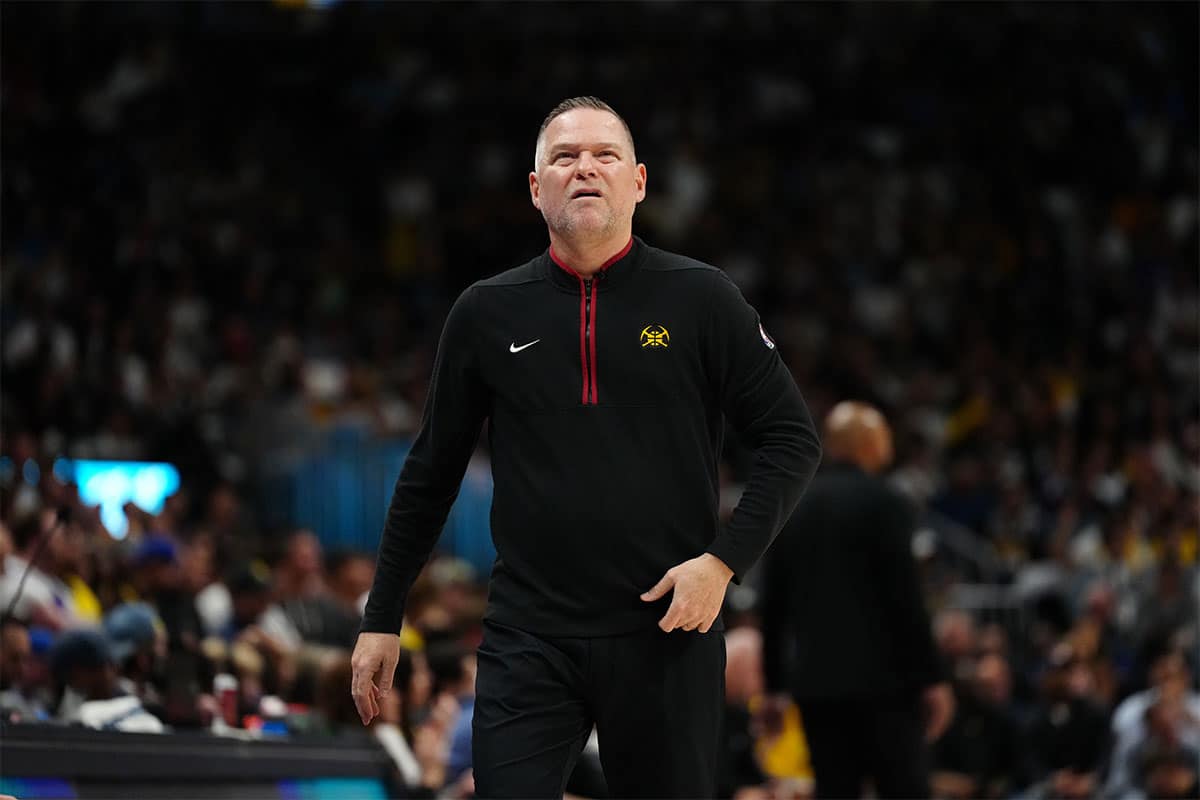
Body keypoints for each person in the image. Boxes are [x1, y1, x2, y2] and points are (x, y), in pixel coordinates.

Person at [352, 95, 822, 798]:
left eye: (604, 155)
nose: (585, 169)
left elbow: (793, 439)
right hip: (528, 634)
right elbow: (430, 473)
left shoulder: (702, 298)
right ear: (537, 189)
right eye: (564, 157)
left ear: (637, 181)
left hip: (667, 631)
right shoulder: (486, 311)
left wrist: (724, 564)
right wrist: (382, 616)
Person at [761, 401, 953, 799]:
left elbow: (772, 606)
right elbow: (906, 600)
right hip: (887, 687)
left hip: (819, 688)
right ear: (871, 444)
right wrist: (932, 677)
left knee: (835, 791)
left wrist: (774, 686)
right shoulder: (886, 502)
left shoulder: (796, 506)